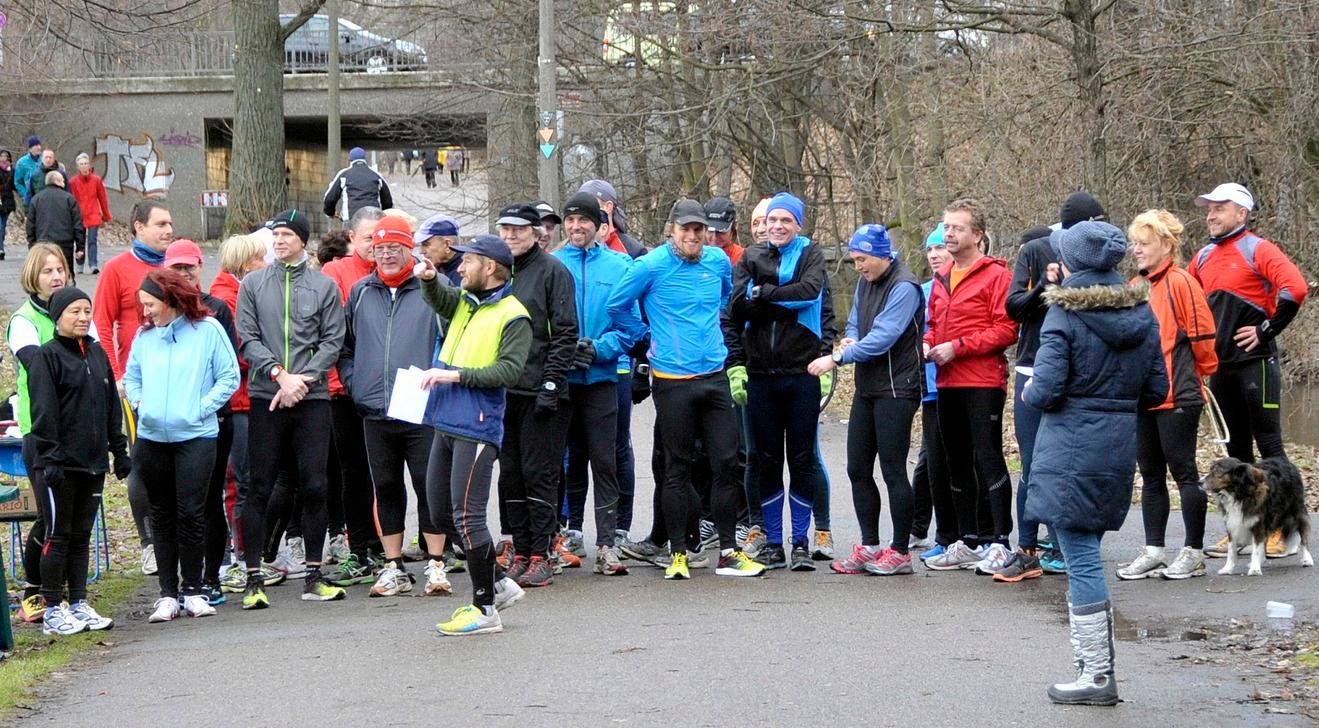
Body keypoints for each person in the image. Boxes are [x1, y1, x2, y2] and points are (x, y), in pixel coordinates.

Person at [1023, 221, 1166, 706]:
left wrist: (1026, 388)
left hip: (1070, 445)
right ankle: (1094, 672)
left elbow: (1044, 389)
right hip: (1117, 444)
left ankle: (1097, 677)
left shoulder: (1063, 314)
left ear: (1071, 261)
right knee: (1087, 553)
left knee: (1081, 558)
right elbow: (1158, 390)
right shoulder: (1143, 311)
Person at [608, 198, 765, 580]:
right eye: (686, 230)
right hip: (673, 381)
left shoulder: (716, 262)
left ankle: (728, 551)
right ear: (672, 230)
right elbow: (616, 305)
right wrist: (644, 338)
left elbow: (726, 300)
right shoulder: (650, 265)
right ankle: (678, 553)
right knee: (677, 467)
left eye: (699, 230)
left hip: (714, 375)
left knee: (726, 464)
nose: (694, 236)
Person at [417, 234, 533, 635]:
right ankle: (499, 582)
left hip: (478, 425)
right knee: (439, 512)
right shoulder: (466, 301)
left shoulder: (514, 314)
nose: (460, 267)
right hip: (446, 420)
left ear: (491, 268)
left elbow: (509, 372)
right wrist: (431, 279)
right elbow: (441, 300)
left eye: (468, 261)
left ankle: (485, 609)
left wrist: (454, 375)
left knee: (468, 519)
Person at [235, 209, 348, 608]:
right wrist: (279, 375)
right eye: (275, 235)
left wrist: (303, 380)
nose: (279, 241)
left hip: (311, 398)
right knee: (260, 485)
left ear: (302, 240)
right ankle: (253, 578)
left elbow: (334, 339)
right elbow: (247, 336)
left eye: (286, 235)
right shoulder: (252, 284)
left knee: (315, 484)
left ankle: (314, 574)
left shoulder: (323, 286)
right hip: (268, 396)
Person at [1190, 183, 1308, 559]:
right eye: (1208, 209)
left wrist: (1265, 329)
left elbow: (1296, 289)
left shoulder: (1258, 248)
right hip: (1220, 367)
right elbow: (1187, 302)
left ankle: (1281, 530)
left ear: (1241, 213)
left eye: (1219, 208)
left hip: (1256, 364)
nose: (1211, 215)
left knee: (1270, 449)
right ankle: (1241, 532)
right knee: (1236, 453)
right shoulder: (1204, 256)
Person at [340, 216, 453, 597]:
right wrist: (356, 384)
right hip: (375, 408)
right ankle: (393, 566)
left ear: (410, 250)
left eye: (395, 248)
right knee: (386, 486)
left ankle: (436, 563)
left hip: (421, 406)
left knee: (428, 485)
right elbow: (347, 348)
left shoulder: (432, 287)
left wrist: (439, 380)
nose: (387, 255)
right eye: (380, 249)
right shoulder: (360, 292)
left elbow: (454, 338)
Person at [722, 192, 831, 571]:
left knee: (801, 460)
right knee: (765, 460)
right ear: (764, 225)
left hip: (801, 374)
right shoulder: (751, 257)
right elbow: (737, 307)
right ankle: (771, 542)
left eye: (786, 220)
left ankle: (799, 541)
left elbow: (810, 292)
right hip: (760, 377)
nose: (778, 227)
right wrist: (777, 300)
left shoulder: (811, 254)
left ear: (798, 224)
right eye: (772, 221)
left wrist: (764, 294)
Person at [808, 224, 923, 575]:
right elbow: (857, 324)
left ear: (881, 255)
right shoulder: (864, 282)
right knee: (857, 467)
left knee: (891, 469)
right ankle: (869, 545)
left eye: (862, 259)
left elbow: (885, 336)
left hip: (897, 388)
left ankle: (900, 550)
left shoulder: (905, 286)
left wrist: (838, 357)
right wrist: (849, 340)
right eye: (854, 259)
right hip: (868, 387)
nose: (857, 266)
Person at [125, 270, 240, 622]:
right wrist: (142, 403)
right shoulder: (144, 337)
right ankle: (167, 594)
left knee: (192, 512)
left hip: (197, 437)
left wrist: (199, 408)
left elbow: (229, 376)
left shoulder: (208, 331)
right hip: (152, 438)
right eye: (143, 306)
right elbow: (132, 377)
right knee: (160, 514)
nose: (146, 312)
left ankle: (194, 590)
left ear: (170, 300)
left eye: (151, 304)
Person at [1001, 193, 1104, 581]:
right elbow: (1013, 308)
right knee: (1032, 463)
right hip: (1032, 366)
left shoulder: (1101, 255)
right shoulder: (1037, 249)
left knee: (1069, 464)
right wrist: (1045, 287)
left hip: (1079, 374)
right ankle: (1027, 547)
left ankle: (1064, 545)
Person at [1114, 210, 1219, 581]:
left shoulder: (1181, 282)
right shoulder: (1135, 284)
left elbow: (1203, 336)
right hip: (1143, 397)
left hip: (1179, 393)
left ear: (1167, 245)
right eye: (1135, 243)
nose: (1137, 250)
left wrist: (1200, 377)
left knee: (1184, 472)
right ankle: (1155, 550)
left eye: (1144, 243)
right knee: (1151, 475)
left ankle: (1193, 552)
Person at [922, 197, 1019, 573]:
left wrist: (957, 348)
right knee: (955, 462)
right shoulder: (940, 279)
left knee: (988, 459)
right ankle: (968, 540)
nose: (949, 233)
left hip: (982, 382)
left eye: (957, 228)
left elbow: (1007, 329)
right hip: (946, 383)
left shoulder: (997, 276)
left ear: (977, 235)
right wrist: (929, 342)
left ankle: (1000, 540)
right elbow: (932, 322)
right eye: (946, 227)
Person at [27, 286, 130, 635]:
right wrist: (51, 457)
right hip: (58, 464)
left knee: (82, 535)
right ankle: (53, 606)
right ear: (58, 317)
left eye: (87, 311)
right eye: (75, 311)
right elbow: (44, 410)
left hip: (92, 462)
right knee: (58, 534)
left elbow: (110, 406)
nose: (83, 317)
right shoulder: (47, 356)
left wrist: (119, 450)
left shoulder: (97, 354)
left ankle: (79, 601)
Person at [552, 192, 644, 575]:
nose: (576, 227)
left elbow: (634, 327)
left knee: (604, 460)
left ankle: (607, 542)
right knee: (564, 460)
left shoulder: (622, 266)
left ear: (599, 226)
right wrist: (564, 351)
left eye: (583, 221)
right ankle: (569, 532)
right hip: (562, 380)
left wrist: (601, 348)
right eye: (569, 221)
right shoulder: (552, 264)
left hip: (603, 377)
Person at [492, 203, 579, 588]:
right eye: (505, 230)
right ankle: (522, 550)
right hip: (503, 389)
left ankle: (542, 553)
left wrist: (551, 383)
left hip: (541, 390)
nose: (511, 237)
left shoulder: (553, 272)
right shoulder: (497, 270)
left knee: (538, 475)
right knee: (510, 475)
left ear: (535, 232)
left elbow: (565, 333)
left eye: (518, 230)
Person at [93, 199, 173, 576]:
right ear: (138, 227)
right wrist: (116, 377)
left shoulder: (174, 266)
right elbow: (102, 324)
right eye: (160, 223)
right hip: (135, 384)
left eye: (170, 223)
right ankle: (150, 544)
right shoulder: (117, 269)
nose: (168, 230)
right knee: (144, 459)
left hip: (177, 380)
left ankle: (179, 537)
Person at [165, 240, 241, 604]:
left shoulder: (216, 310)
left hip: (212, 420)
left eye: (189, 267)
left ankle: (212, 575)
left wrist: (202, 405)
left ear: (200, 268)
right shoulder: (158, 313)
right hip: (167, 424)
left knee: (209, 498)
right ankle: (181, 578)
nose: (184, 274)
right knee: (177, 502)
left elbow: (225, 370)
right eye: (176, 268)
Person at [9, 245, 82, 623]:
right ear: (33, 277)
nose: (56, 277)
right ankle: (35, 588)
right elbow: (39, 367)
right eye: (47, 271)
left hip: (79, 433)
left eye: (61, 270)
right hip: (41, 432)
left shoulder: (79, 312)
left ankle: (72, 591)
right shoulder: (23, 320)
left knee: (72, 519)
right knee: (50, 519)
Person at [319, 206, 386, 585]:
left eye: (382, 240)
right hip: (343, 390)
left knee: (387, 472)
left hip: (384, 390)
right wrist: (343, 379)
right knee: (354, 472)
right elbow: (333, 335)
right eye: (368, 240)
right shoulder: (337, 273)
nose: (377, 248)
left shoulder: (389, 271)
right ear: (351, 238)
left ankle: (383, 543)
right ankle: (358, 544)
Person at [209, 234, 270, 595]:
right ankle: (240, 554)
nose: (265, 265)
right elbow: (241, 351)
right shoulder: (227, 298)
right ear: (247, 264)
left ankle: (249, 553)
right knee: (239, 481)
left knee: (249, 479)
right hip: (238, 401)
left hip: (250, 398)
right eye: (261, 259)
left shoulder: (237, 293)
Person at [909, 225, 955, 558]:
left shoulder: (965, 286)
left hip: (961, 384)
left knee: (948, 460)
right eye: (930, 249)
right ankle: (920, 528)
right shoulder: (920, 291)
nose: (935, 254)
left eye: (941, 247)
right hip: (930, 387)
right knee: (931, 459)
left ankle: (955, 534)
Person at [25, 171, 85, 284]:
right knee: (66, 275)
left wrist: (32, 245)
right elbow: (78, 224)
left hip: (43, 244)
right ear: (57, 181)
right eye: (62, 180)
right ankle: (67, 299)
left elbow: (30, 225)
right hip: (65, 244)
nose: (64, 182)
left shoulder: (36, 199)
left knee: (45, 274)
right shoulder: (69, 199)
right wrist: (80, 247)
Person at [67, 152, 112, 275]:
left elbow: (102, 198)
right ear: (78, 167)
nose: (84, 166)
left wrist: (107, 215)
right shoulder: (73, 182)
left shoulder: (96, 180)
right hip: (79, 215)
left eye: (86, 163)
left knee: (92, 240)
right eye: (81, 164)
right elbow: (70, 200)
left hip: (93, 214)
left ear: (89, 165)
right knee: (79, 240)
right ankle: (80, 264)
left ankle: (93, 264)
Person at [322, 147, 393, 223]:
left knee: (350, 234)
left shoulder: (344, 174)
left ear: (350, 160)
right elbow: (388, 201)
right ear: (364, 159)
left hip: (351, 219)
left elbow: (330, 198)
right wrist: (382, 216)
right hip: (373, 219)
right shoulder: (377, 175)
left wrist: (330, 212)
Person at [414, 214, 463, 285]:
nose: (421, 251)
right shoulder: (430, 270)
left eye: (426, 244)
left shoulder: (468, 275)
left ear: (447, 245)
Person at [14, 136, 43, 211]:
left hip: (44, 197)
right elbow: (18, 182)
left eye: (39, 145)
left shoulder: (44, 160)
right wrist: (25, 195)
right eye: (36, 145)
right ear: (30, 148)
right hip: (30, 199)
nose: (39, 147)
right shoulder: (21, 163)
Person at [0, 149, 17, 260]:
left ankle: (1, 245)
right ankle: (1, 249)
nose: (4, 158)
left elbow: (15, 185)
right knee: (0, 226)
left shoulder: (12, 171)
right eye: (2, 156)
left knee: (3, 226)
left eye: (6, 156)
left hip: (8, 202)